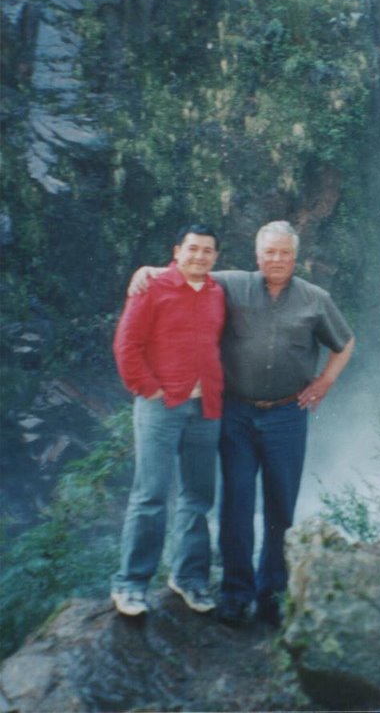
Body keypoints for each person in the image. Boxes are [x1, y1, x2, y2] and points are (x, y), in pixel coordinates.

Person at [129, 220, 355, 627]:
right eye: (269, 252)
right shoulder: (231, 284)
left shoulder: (315, 298)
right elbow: (188, 270)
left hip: (287, 415)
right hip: (235, 412)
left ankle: (272, 591)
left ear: (295, 256)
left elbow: (345, 342)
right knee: (236, 503)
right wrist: (147, 271)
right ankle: (236, 590)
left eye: (284, 253)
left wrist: (325, 381)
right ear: (257, 255)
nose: (277, 260)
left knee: (280, 505)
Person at [110, 224, 225, 617]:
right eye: (192, 249)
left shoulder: (216, 293)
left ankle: (189, 577)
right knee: (150, 495)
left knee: (198, 496)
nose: (199, 256)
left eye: (207, 251)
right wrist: (148, 388)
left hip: (205, 407)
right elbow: (126, 344)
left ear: (216, 257)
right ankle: (131, 585)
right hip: (161, 406)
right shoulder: (151, 288)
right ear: (177, 251)